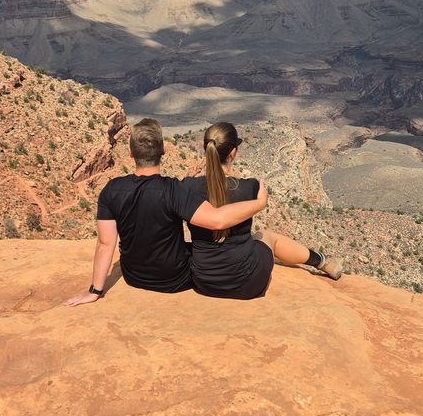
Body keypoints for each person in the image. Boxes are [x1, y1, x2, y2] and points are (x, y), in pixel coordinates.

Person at [64, 117, 268, 304]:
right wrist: (259, 204)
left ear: (131, 153)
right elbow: (216, 220)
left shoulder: (111, 190)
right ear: (163, 150)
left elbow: (105, 243)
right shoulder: (173, 190)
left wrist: (95, 290)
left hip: (134, 276)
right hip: (175, 280)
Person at [184, 121, 342, 299]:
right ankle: (322, 261)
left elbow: (209, 194)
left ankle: (323, 261)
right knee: (266, 235)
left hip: (204, 281)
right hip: (246, 282)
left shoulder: (187, 187)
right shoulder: (249, 187)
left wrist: (187, 178)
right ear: (233, 152)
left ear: (206, 150)